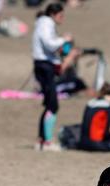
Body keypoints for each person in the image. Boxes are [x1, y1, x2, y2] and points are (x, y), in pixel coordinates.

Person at [32, 2, 72, 151]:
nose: (62, 19)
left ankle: (41, 140)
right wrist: (64, 40)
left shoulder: (44, 23)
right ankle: (46, 142)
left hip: (45, 65)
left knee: (50, 104)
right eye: (61, 16)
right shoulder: (46, 23)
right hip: (44, 66)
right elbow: (49, 44)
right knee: (52, 104)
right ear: (53, 14)